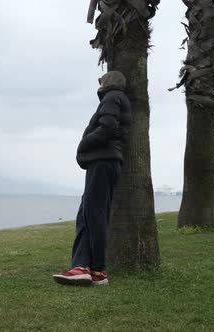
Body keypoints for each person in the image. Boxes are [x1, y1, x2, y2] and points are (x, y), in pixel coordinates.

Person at [52, 71, 131, 286]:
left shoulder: (112, 97)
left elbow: (107, 127)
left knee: (93, 215)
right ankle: (85, 268)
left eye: (102, 80)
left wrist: (84, 143)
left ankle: (95, 269)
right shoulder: (117, 99)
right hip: (106, 162)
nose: (100, 83)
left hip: (102, 162)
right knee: (88, 213)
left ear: (110, 82)